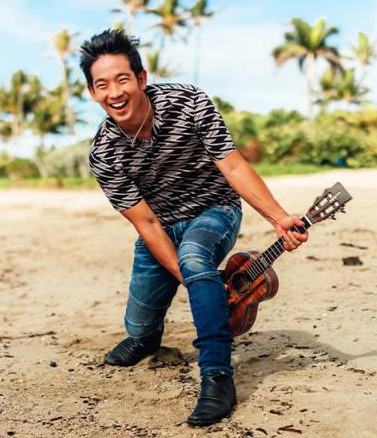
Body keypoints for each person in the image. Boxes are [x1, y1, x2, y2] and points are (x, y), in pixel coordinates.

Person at [79, 29, 308, 427]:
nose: (114, 91)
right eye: (103, 85)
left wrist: (278, 218)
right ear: (92, 93)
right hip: (161, 228)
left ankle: (217, 373)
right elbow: (147, 223)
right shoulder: (103, 154)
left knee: (194, 254)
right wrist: (191, 279)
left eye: (122, 79)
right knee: (139, 324)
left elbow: (231, 164)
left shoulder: (188, 101)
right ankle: (146, 338)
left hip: (214, 209)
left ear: (141, 79)